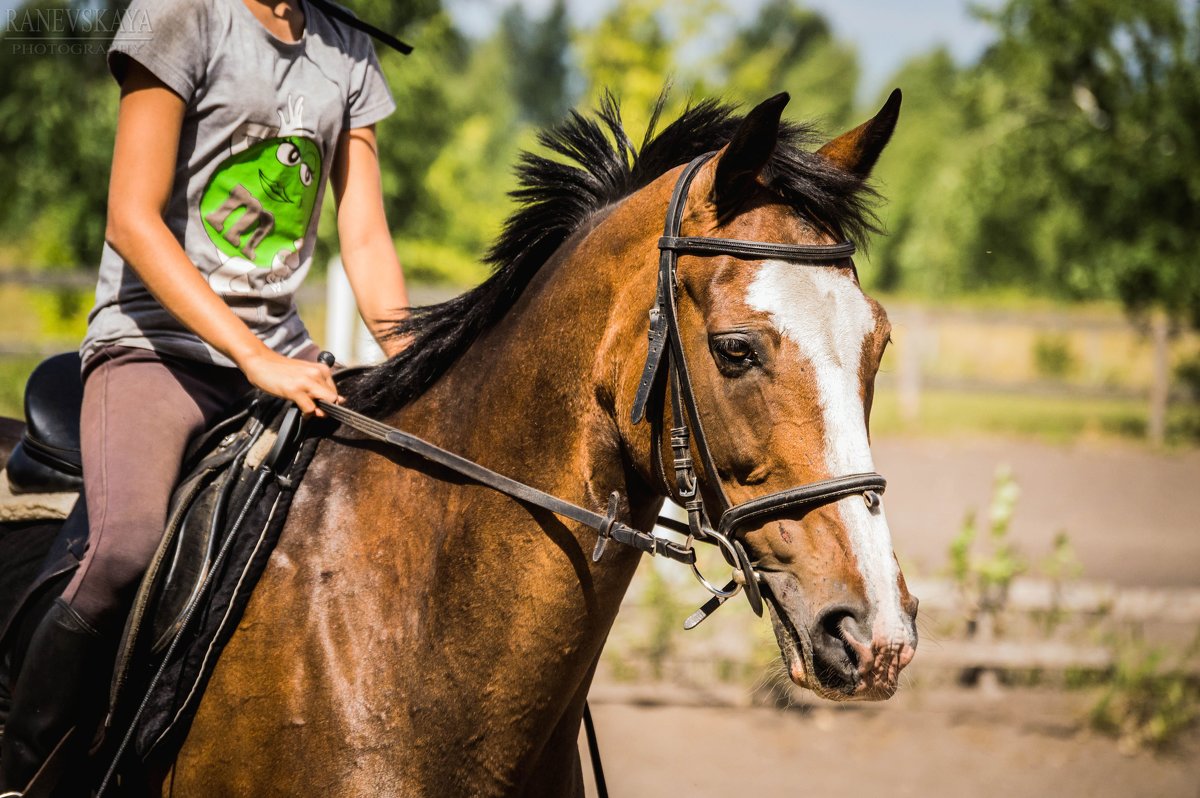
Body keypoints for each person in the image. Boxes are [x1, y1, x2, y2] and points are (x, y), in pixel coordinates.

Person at [0, 0, 409, 792]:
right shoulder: (177, 14)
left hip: (281, 357)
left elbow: (365, 240)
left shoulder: (349, 49)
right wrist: (253, 356)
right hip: (155, 346)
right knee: (121, 549)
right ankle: (21, 770)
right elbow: (130, 217)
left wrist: (422, 362)